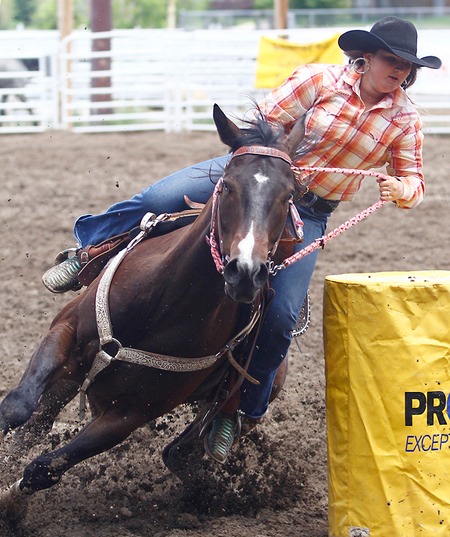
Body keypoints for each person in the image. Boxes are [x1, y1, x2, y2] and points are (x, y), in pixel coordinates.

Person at [42, 17, 441, 463]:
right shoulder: (318, 80)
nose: (400, 72)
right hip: (254, 176)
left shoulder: (404, 119)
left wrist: (402, 190)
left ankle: (237, 408)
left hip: (306, 210)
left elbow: (414, 182)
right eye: (393, 60)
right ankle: (88, 255)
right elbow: (263, 126)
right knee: (155, 198)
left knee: (282, 314)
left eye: (407, 66)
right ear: (366, 57)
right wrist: (269, 168)